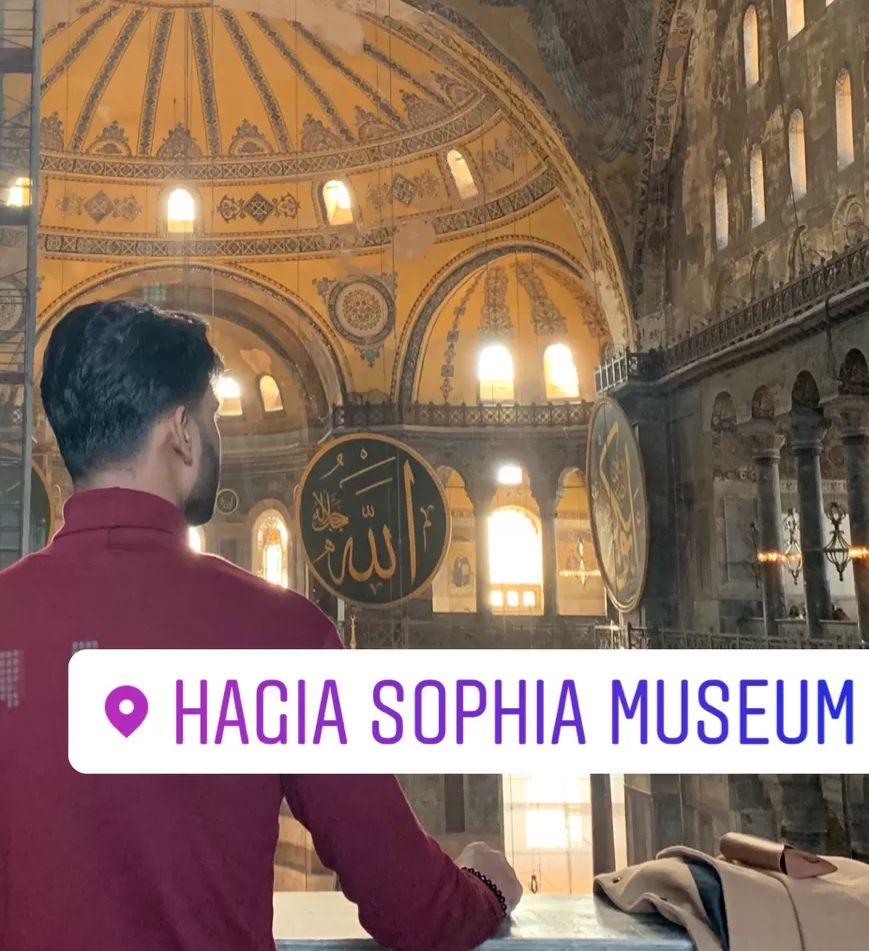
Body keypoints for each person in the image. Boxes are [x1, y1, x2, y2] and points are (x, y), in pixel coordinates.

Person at [0, 300, 521, 951]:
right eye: (213, 418)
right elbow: (417, 913)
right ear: (182, 432)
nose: (216, 436)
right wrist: (487, 885)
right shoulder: (279, 634)